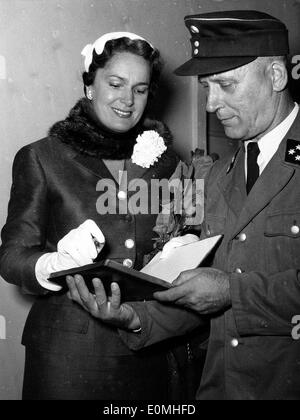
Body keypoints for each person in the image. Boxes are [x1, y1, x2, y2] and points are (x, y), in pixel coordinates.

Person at [67, 11, 300, 400]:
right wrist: (134, 318)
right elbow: (203, 292)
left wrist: (233, 293)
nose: (211, 104)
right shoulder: (217, 176)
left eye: (225, 85)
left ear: (276, 76)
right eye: (207, 87)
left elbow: (225, 291)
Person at [0, 32, 186, 400]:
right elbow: (11, 257)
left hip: (146, 344)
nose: (127, 100)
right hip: (68, 356)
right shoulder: (43, 157)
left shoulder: (167, 162)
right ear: (89, 84)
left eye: (140, 89)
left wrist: (185, 243)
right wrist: (53, 263)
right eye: (115, 84)